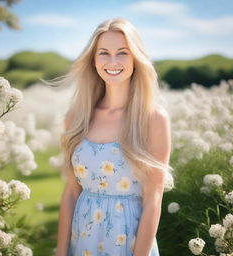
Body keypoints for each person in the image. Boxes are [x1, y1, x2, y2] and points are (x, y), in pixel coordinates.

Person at [54, 17, 175, 256]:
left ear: (135, 59)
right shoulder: (76, 117)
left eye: (122, 53)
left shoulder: (154, 119)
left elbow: (154, 198)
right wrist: (61, 252)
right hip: (83, 241)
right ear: (93, 59)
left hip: (129, 241)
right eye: (103, 53)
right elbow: (70, 192)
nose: (112, 61)